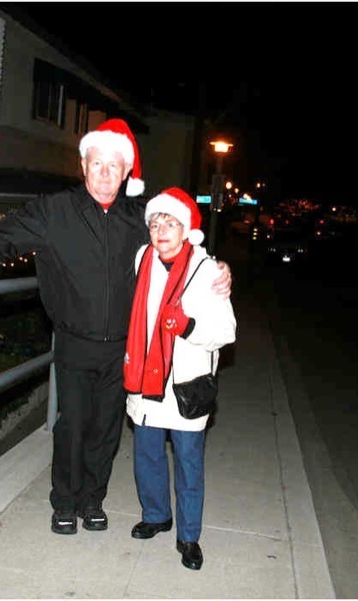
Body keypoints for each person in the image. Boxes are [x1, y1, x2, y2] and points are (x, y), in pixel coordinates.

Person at [0, 118, 232, 536]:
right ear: (83, 165)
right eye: (97, 164)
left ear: (126, 173)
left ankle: (93, 500)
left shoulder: (137, 217)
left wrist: (219, 268)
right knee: (71, 425)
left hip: (124, 348)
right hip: (73, 341)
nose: (105, 174)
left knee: (107, 430)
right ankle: (65, 502)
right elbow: (3, 236)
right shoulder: (54, 211)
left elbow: (180, 241)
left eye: (114, 166)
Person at [124, 187, 237, 571]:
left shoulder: (207, 271)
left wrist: (187, 327)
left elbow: (226, 330)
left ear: (186, 230)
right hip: (145, 381)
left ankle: (189, 536)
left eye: (170, 222)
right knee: (147, 455)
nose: (161, 229)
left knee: (189, 463)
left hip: (185, 386)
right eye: (156, 222)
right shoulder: (143, 260)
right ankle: (157, 514)